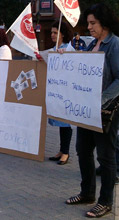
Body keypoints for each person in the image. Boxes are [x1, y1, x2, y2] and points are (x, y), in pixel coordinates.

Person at [65, 3, 119, 218]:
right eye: (88, 23)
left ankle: (105, 202)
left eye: (93, 23)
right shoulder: (93, 43)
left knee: (105, 156)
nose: (89, 27)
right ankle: (87, 193)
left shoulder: (116, 45)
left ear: (104, 22)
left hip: (108, 109)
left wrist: (99, 100)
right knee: (83, 150)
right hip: (88, 108)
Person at [47, 21, 73, 166]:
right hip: (56, 91)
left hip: (65, 91)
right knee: (60, 123)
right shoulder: (53, 49)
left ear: (62, 34)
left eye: (55, 33)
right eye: (51, 32)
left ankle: (66, 152)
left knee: (65, 123)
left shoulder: (68, 49)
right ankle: (61, 150)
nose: (52, 35)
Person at [96, 118, 119, 185]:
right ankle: (104, 167)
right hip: (103, 110)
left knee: (118, 137)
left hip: (117, 110)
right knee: (104, 136)